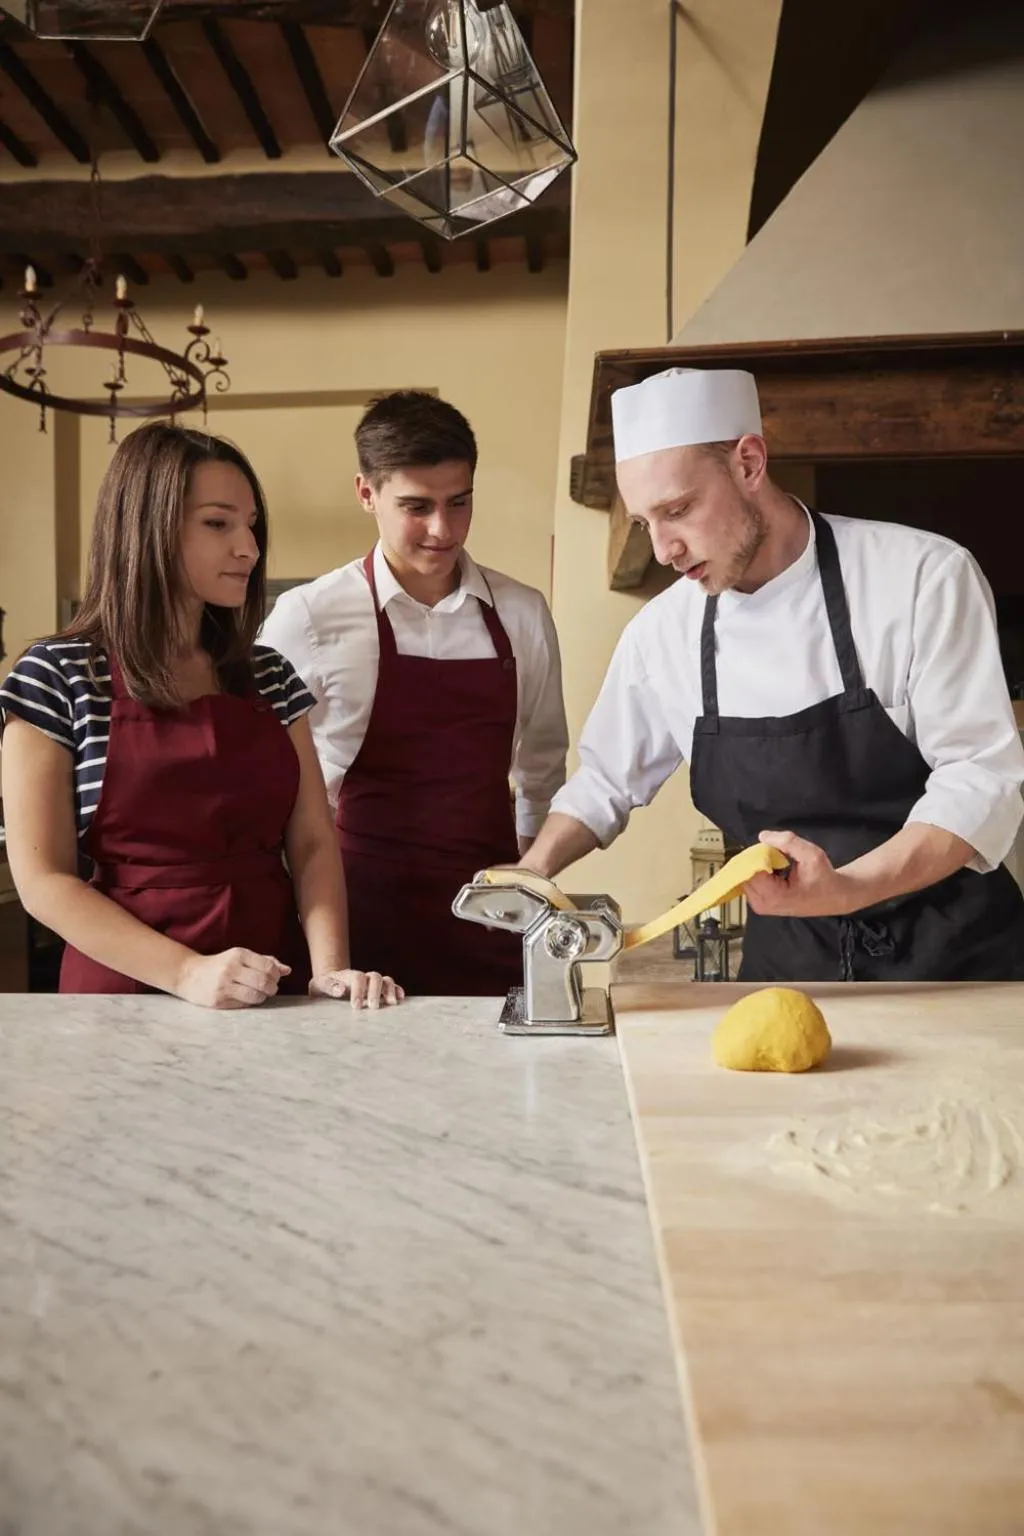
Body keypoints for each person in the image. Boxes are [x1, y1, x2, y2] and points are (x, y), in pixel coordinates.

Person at [517, 366, 1024, 981]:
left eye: (678, 510)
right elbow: (605, 780)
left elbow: (979, 779)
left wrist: (846, 887)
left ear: (749, 462)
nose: (663, 550)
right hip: (790, 968)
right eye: (645, 522)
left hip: (959, 963)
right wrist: (533, 871)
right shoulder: (663, 634)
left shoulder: (922, 577)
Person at [0, 423, 402, 1011]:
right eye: (219, 523)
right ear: (148, 527)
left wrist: (328, 970)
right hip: (124, 1000)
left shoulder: (268, 676)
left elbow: (313, 842)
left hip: (273, 985)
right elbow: (43, 882)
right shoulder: (58, 675)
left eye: (251, 525)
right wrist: (187, 973)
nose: (250, 547)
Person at [260, 390, 568, 995]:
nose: (442, 529)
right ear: (366, 493)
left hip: (490, 922)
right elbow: (272, 793)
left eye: (459, 503)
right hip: (358, 921)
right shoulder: (309, 618)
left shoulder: (522, 613)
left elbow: (542, 769)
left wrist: (526, 888)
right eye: (416, 506)